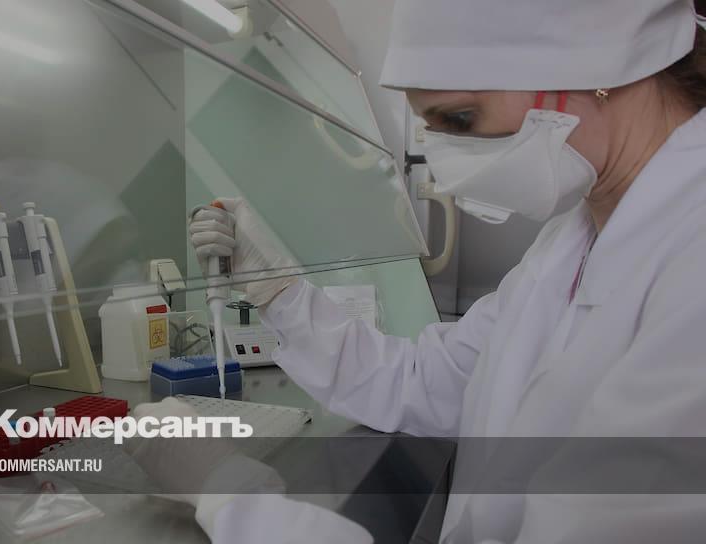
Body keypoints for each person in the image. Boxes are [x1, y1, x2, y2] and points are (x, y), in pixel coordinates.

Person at [127, 0, 706, 542]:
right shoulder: (570, 241)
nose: (447, 166)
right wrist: (279, 291)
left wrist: (234, 497)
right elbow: (429, 381)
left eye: (460, 117)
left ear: (597, 66)